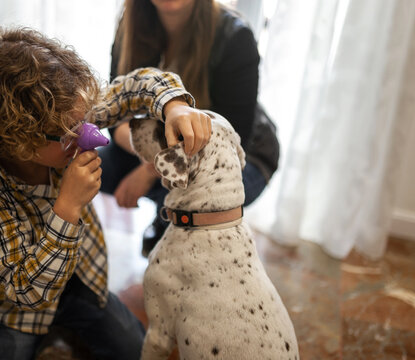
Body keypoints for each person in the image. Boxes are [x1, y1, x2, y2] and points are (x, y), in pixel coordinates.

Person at [0, 26, 210, 360]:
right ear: (16, 140)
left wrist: (173, 106)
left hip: (81, 281)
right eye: (69, 134)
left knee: (135, 350)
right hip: (13, 309)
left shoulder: (65, 116)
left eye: (84, 123)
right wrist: (68, 206)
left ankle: (58, 333)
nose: (86, 136)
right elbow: (27, 291)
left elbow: (138, 85)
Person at [99, 0, 280, 257]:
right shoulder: (131, 24)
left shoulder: (235, 36)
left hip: (243, 155)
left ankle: (171, 222)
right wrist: (149, 160)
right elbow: (116, 116)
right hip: (164, 144)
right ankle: (167, 214)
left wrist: (150, 170)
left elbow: (228, 142)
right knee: (94, 165)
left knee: (192, 193)